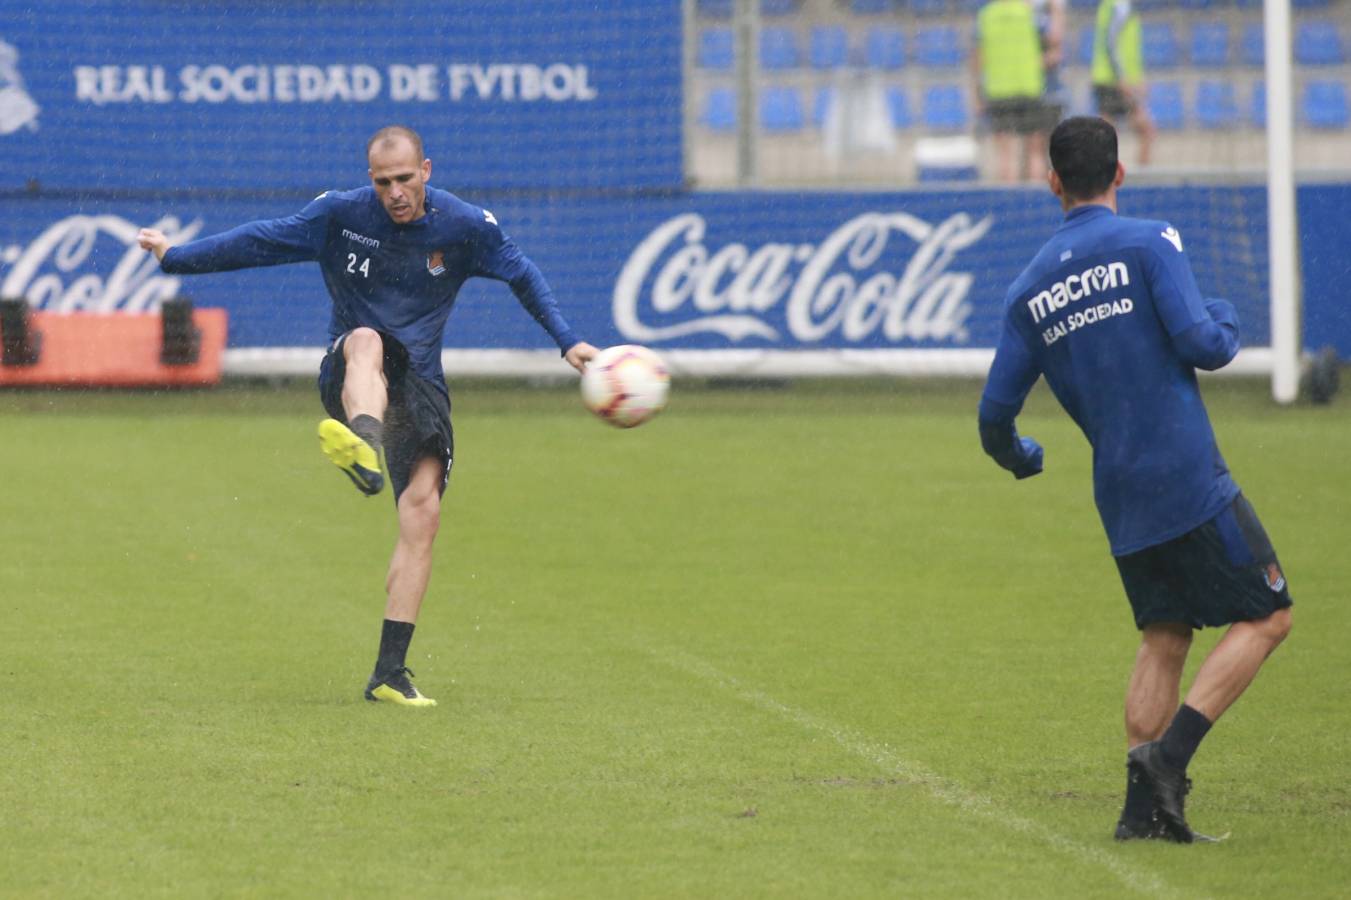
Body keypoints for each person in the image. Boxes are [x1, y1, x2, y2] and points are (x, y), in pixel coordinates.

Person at [137, 125, 597, 708]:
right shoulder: (340, 214)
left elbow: (523, 274)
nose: (395, 192)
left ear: (426, 170)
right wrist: (175, 259)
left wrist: (567, 341)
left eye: (405, 179)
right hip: (349, 371)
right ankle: (361, 441)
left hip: (421, 386)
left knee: (422, 515)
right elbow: (260, 241)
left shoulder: (464, 226)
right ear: (371, 180)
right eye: (383, 182)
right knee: (366, 340)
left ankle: (389, 674)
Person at [977, 116, 1292, 842]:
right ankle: (1167, 762)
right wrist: (1226, 314)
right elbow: (1201, 344)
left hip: (1118, 492)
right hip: (1185, 474)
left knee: (1164, 635)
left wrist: (1022, 455)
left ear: (1050, 181)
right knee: (1269, 614)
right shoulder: (1149, 241)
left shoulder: (1027, 290)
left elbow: (994, 416)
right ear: (1120, 173)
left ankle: (1141, 814)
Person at [973, 0, 1047, 183]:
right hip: (1028, 86)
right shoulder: (1031, 13)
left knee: (1006, 154)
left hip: (999, 90)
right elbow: (1052, 40)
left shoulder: (986, 15)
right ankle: (1034, 200)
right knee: (1034, 151)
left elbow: (978, 58)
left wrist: (977, 92)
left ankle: (1008, 204)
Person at [1091, 0, 1155, 166]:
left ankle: (1105, 181)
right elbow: (1110, 43)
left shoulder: (1111, 5)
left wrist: (1138, 78)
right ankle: (1134, 181)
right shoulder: (1120, 6)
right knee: (1144, 131)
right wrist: (1122, 78)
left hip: (1109, 79)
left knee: (1107, 137)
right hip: (1114, 81)